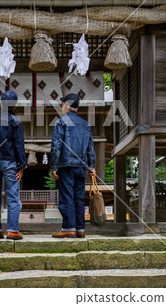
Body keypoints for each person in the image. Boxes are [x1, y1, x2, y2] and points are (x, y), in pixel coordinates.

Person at [0, 90, 27, 240]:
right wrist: (22, 166)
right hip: (10, 162)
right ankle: (12, 230)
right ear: (14, 105)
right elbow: (19, 146)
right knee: (13, 196)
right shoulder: (15, 121)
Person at [50, 93, 96, 238]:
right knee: (79, 198)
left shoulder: (61, 122)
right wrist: (91, 166)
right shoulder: (85, 124)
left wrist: (54, 167)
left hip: (66, 165)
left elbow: (56, 147)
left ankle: (69, 228)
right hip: (81, 167)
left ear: (65, 105)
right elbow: (90, 148)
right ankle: (80, 229)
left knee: (66, 197)